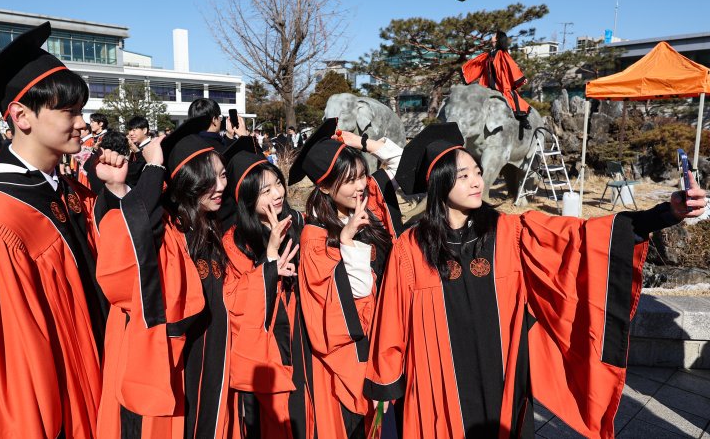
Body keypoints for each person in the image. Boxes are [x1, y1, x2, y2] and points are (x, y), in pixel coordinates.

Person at [364, 123, 708, 438]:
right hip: (437, 385)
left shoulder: (509, 231)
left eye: (478, 172)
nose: (476, 182)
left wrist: (665, 213)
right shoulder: (412, 247)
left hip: (503, 381)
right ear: (439, 181)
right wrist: (387, 387)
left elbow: (581, 238)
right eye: (463, 175)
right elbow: (393, 318)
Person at [0, 22, 127, 439]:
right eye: (69, 111)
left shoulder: (66, 190)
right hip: (57, 408)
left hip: (98, 386)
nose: (82, 123)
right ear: (21, 116)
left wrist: (116, 194)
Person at [94, 120, 235, 439]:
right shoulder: (165, 234)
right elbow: (127, 247)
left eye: (222, 175)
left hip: (205, 370)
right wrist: (131, 182)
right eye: (208, 179)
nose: (220, 186)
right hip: (163, 375)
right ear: (187, 183)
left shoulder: (208, 228)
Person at [288, 118, 404, 437]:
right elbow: (354, 297)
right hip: (354, 358)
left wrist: (365, 145)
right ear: (325, 187)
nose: (360, 186)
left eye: (361, 176)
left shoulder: (363, 204)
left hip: (386, 341)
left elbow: (402, 165)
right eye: (349, 180)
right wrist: (348, 243)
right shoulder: (315, 237)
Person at [221, 137, 311, 437]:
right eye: (265, 190)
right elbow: (238, 302)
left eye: (277, 184)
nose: (277, 194)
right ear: (246, 199)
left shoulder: (296, 221)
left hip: (299, 337)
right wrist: (270, 258)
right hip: (267, 349)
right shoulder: (234, 240)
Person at [461, 30, 532, 133]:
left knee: (512, 98)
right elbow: (478, 66)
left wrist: (519, 78)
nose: (492, 36)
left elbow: (512, 66)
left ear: (498, 39)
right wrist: (467, 74)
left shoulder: (502, 54)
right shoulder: (487, 55)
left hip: (501, 84)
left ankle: (523, 119)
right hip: (488, 85)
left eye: (494, 35)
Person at [126, 115, 152, 187]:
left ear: (144, 130)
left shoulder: (152, 147)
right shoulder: (135, 147)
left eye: (134, 130)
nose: (131, 133)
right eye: (130, 130)